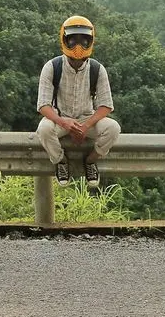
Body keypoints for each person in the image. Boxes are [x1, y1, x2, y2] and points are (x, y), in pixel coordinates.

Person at [35, 15, 120, 188]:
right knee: (43, 129)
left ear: (91, 40)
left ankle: (90, 161)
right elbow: (43, 105)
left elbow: (105, 105)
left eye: (84, 40)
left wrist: (86, 126)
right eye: (73, 40)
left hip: (86, 118)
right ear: (64, 39)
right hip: (59, 118)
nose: (78, 46)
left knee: (113, 128)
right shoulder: (52, 67)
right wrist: (63, 123)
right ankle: (60, 161)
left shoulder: (97, 69)